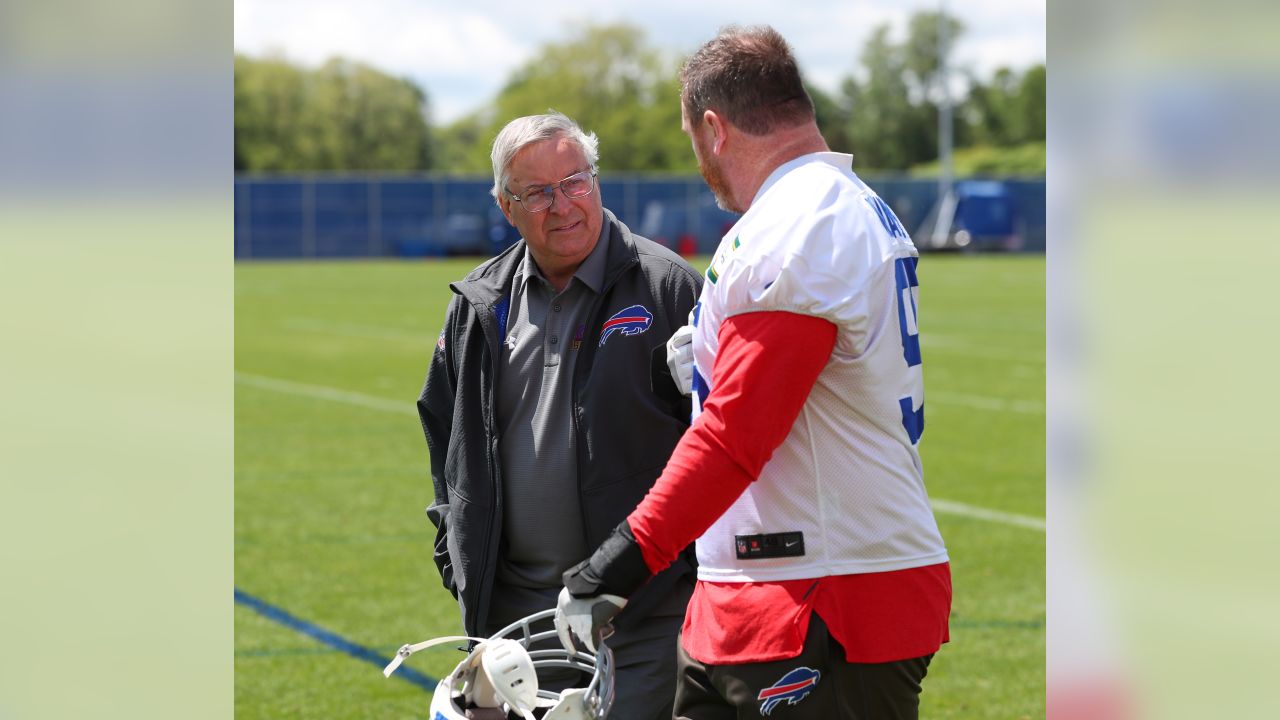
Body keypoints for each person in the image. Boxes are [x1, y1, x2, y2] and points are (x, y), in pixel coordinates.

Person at [555, 26, 952, 719]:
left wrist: (618, 560)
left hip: (819, 596)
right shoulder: (825, 205)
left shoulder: (803, 221)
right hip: (770, 589)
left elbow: (738, 433)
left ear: (714, 129)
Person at [418, 111, 703, 720]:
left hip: (637, 619)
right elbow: (444, 431)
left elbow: (717, 443)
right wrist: (456, 548)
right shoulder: (479, 302)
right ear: (506, 205)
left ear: (596, 181)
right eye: (539, 192)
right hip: (513, 623)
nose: (563, 204)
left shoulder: (668, 289)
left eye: (576, 181)